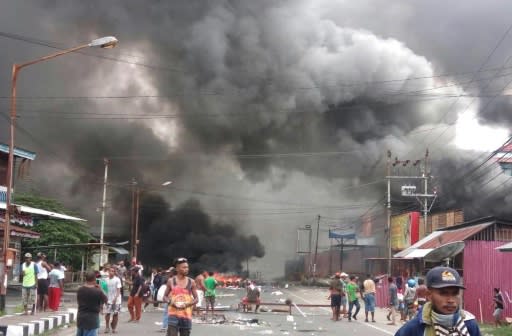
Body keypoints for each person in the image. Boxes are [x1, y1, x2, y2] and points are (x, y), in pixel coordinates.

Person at [395, 266, 481, 336]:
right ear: (429, 295)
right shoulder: (413, 329)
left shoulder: (469, 323)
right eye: (443, 293)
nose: (451, 300)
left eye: (455, 293)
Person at [164, 258, 198, 336]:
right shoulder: (171, 281)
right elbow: (165, 297)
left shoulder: (191, 282)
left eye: (187, 267)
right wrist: (171, 303)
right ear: (177, 268)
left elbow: (196, 299)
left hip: (186, 316)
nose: (187, 269)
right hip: (173, 314)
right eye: (184, 267)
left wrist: (187, 304)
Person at [76, 271, 107, 336]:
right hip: (92, 319)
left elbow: (78, 302)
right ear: (94, 279)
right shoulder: (98, 291)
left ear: (86, 279)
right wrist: (100, 289)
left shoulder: (80, 290)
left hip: (81, 317)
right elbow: (106, 300)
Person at [104, 266, 122, 334]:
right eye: (110, 271)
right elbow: (104, 290)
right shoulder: (105, 280)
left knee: (115, 314)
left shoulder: (117, 279)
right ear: (108, 271)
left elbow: (118, 290)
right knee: (107, 313)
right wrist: (104, 298)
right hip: (108, 299)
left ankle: (114, 328)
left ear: (115, 272)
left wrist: (115, 298)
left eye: (113, 271)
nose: (112, 272)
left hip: (116, 300)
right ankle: (107, 327)